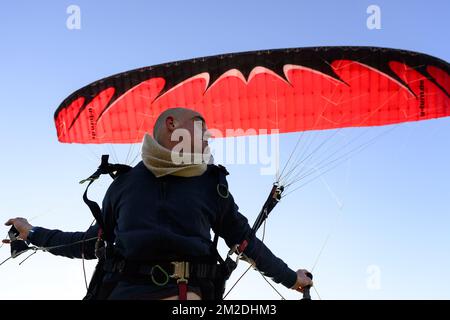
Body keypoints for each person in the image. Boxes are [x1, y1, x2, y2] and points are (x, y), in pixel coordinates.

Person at [5, 107, 313, 300]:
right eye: (202, 129)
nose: (209, 138)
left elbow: (246, 243)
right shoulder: (124, 185)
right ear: (171, 125)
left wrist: (290, 278)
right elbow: (89, 244)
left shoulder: (211, 185)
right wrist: (32, 233)